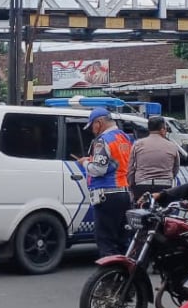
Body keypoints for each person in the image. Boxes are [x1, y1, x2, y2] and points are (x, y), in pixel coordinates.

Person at [77, 108, 132, 258]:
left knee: (106, 240)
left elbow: (98, 169)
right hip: (125, 193)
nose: (92, 130)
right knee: (123, 239)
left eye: (92, 126)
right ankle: (125, 277)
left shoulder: (102, 141)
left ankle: (110, 276)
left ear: (99, 123)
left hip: (107, 195)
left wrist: (85, 163)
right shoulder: (125, 138)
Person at [128, 116, 180, 202]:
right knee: (163, 213)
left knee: (140, 212)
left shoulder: (137, 145)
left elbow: (131, 169)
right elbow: (175, 169)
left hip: (142, 186)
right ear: (163, 129)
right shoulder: (172, 146)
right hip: (164, 187)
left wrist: (132, 186)